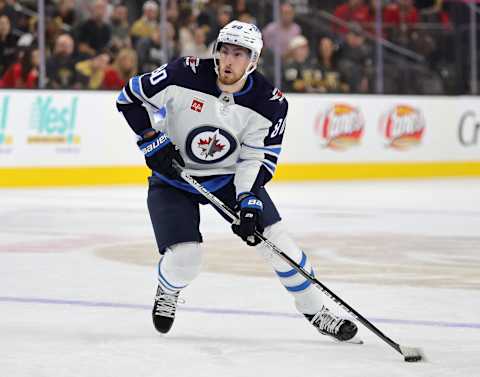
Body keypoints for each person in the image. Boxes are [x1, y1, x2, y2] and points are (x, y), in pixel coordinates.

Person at [116, 20, 358, 342]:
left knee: (279, 244)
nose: (229, 61)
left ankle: (316, 310)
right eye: (224, 51)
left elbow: (257, 158)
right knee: (186, 260)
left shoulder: (269, 103)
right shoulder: (182, 73)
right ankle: (168, 287)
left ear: (253, 61)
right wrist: (151, 140)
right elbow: (129, 98)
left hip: (228, 180)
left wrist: (248, 201)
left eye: (239, 55)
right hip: (173, 180)